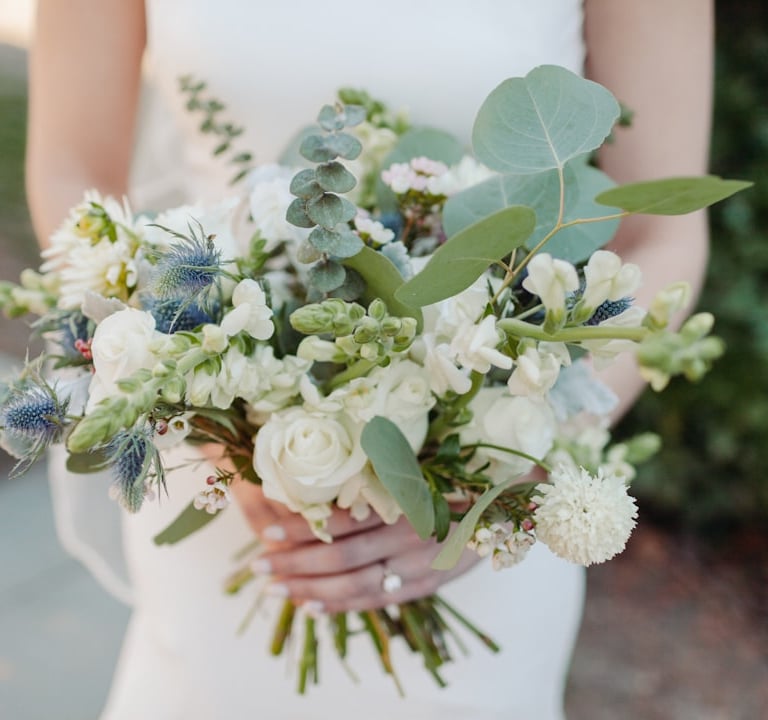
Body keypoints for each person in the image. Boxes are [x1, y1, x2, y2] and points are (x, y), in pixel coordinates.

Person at [26, 1, 713, 718]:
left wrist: (495, 468)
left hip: (474, 516)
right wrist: (226, 418)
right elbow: (72, 174)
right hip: (231, 492)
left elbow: (662, 239)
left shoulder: (491, 475)